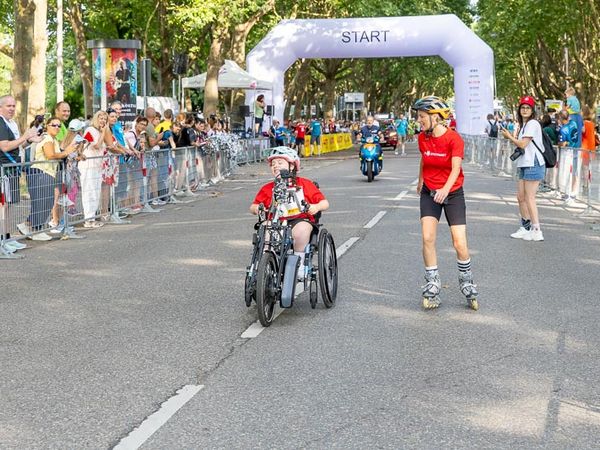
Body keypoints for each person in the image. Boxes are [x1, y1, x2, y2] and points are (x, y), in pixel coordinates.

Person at [412, 96, 479, 310]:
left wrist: (445, 189)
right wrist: (421, 180)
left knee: (459, 243)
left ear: (437, 118)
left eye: (422, 117)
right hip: (430, 192)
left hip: (453, 193)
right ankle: (433, 283)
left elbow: (456, 168)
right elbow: (425, 158)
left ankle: (466, 281)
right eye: (419, 117)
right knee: (427, 236)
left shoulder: (454, 139)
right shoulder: (423, 138)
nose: (419, 120)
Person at [250, 147, 329, 278]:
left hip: (299, 220)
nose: (275, 166)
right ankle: (266, 264)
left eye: (280, 163)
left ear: (292, 165)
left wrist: (315, 207)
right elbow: (253, 206)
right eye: (273, 164)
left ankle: (300, 262)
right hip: (275, 221)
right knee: (265, 229)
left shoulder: (305, 184)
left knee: (301, 230)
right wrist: (258, 209)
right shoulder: (268, 188)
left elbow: (325, 203)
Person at [1, 95, 42, 253]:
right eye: (8, 106)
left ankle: (7, 236)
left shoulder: (11, 123)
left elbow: (18, 145)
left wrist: (30, 140)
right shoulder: (0, 123)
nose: (11, 109)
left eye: (13, 106)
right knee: (3, 206)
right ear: (0, 107)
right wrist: (25, 136)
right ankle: (2, 240)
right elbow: (4, 147)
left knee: (10, 205)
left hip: (12, 169)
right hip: (4, 169)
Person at [501, 95, 545, 241]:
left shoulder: (533, 124)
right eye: (523, 107)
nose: (525, 110)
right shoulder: (524, 125)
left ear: (532, 110)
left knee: (529, 197)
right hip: (524, 163)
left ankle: (536, 229)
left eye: (528, 108)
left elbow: (523, 144)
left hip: (533, 163)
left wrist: (509, 136)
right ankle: (525, 227)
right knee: (521, 197)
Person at [31, 117, 76, 237]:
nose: (56, 128)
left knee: (47, 203)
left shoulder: (53, 139)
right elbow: (50, 155)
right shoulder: (47, 138)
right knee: (42, 203)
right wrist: (66, 152)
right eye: (53, 125)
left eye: (58, 126)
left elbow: (58, 153)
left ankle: (33, 228)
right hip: (41, 172)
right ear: (47, 125)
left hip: (48, 173)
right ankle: (34, 230)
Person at [80, 111, 108, 228]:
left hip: (97, 165)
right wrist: (103, 133)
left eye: (104, 119)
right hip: (88, 165)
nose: (102, 121)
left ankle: (92, 217)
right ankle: (88, 219)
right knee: (89, 192)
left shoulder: (99, 131)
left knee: (96, 191)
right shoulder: (90, 131)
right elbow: (96, 145)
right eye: (100, 118)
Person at [556, 109, 580, 205]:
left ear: (561, 118)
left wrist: (561, 143)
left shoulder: (563, 129)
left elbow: (562, 143)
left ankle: (567, 193)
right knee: (574, 172)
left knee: (566, 172)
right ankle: (573, 192)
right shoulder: (573, 123)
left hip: (567, 152)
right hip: (576, 149)